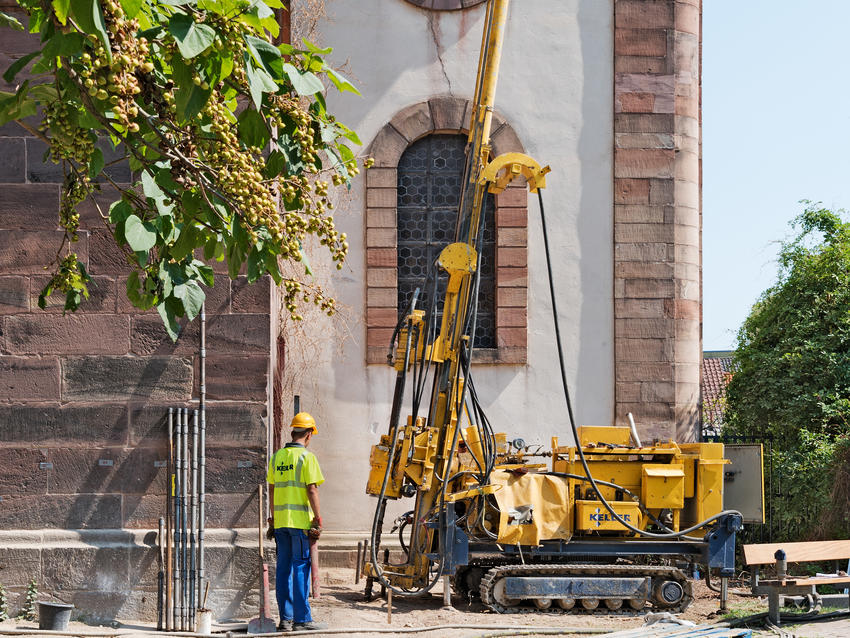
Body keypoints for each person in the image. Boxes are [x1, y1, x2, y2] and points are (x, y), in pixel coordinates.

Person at [267, 412, 327, 632]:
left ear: (293, 432)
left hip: (281, 523)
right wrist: (317, 520)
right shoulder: (306, 458)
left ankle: (285, 619)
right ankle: (302, 620)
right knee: (301, 568)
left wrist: (272, 519)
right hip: (300, 523)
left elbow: (272, 489)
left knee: (283, 570)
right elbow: (312, 489)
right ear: (309, 434)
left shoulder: (277, 457)